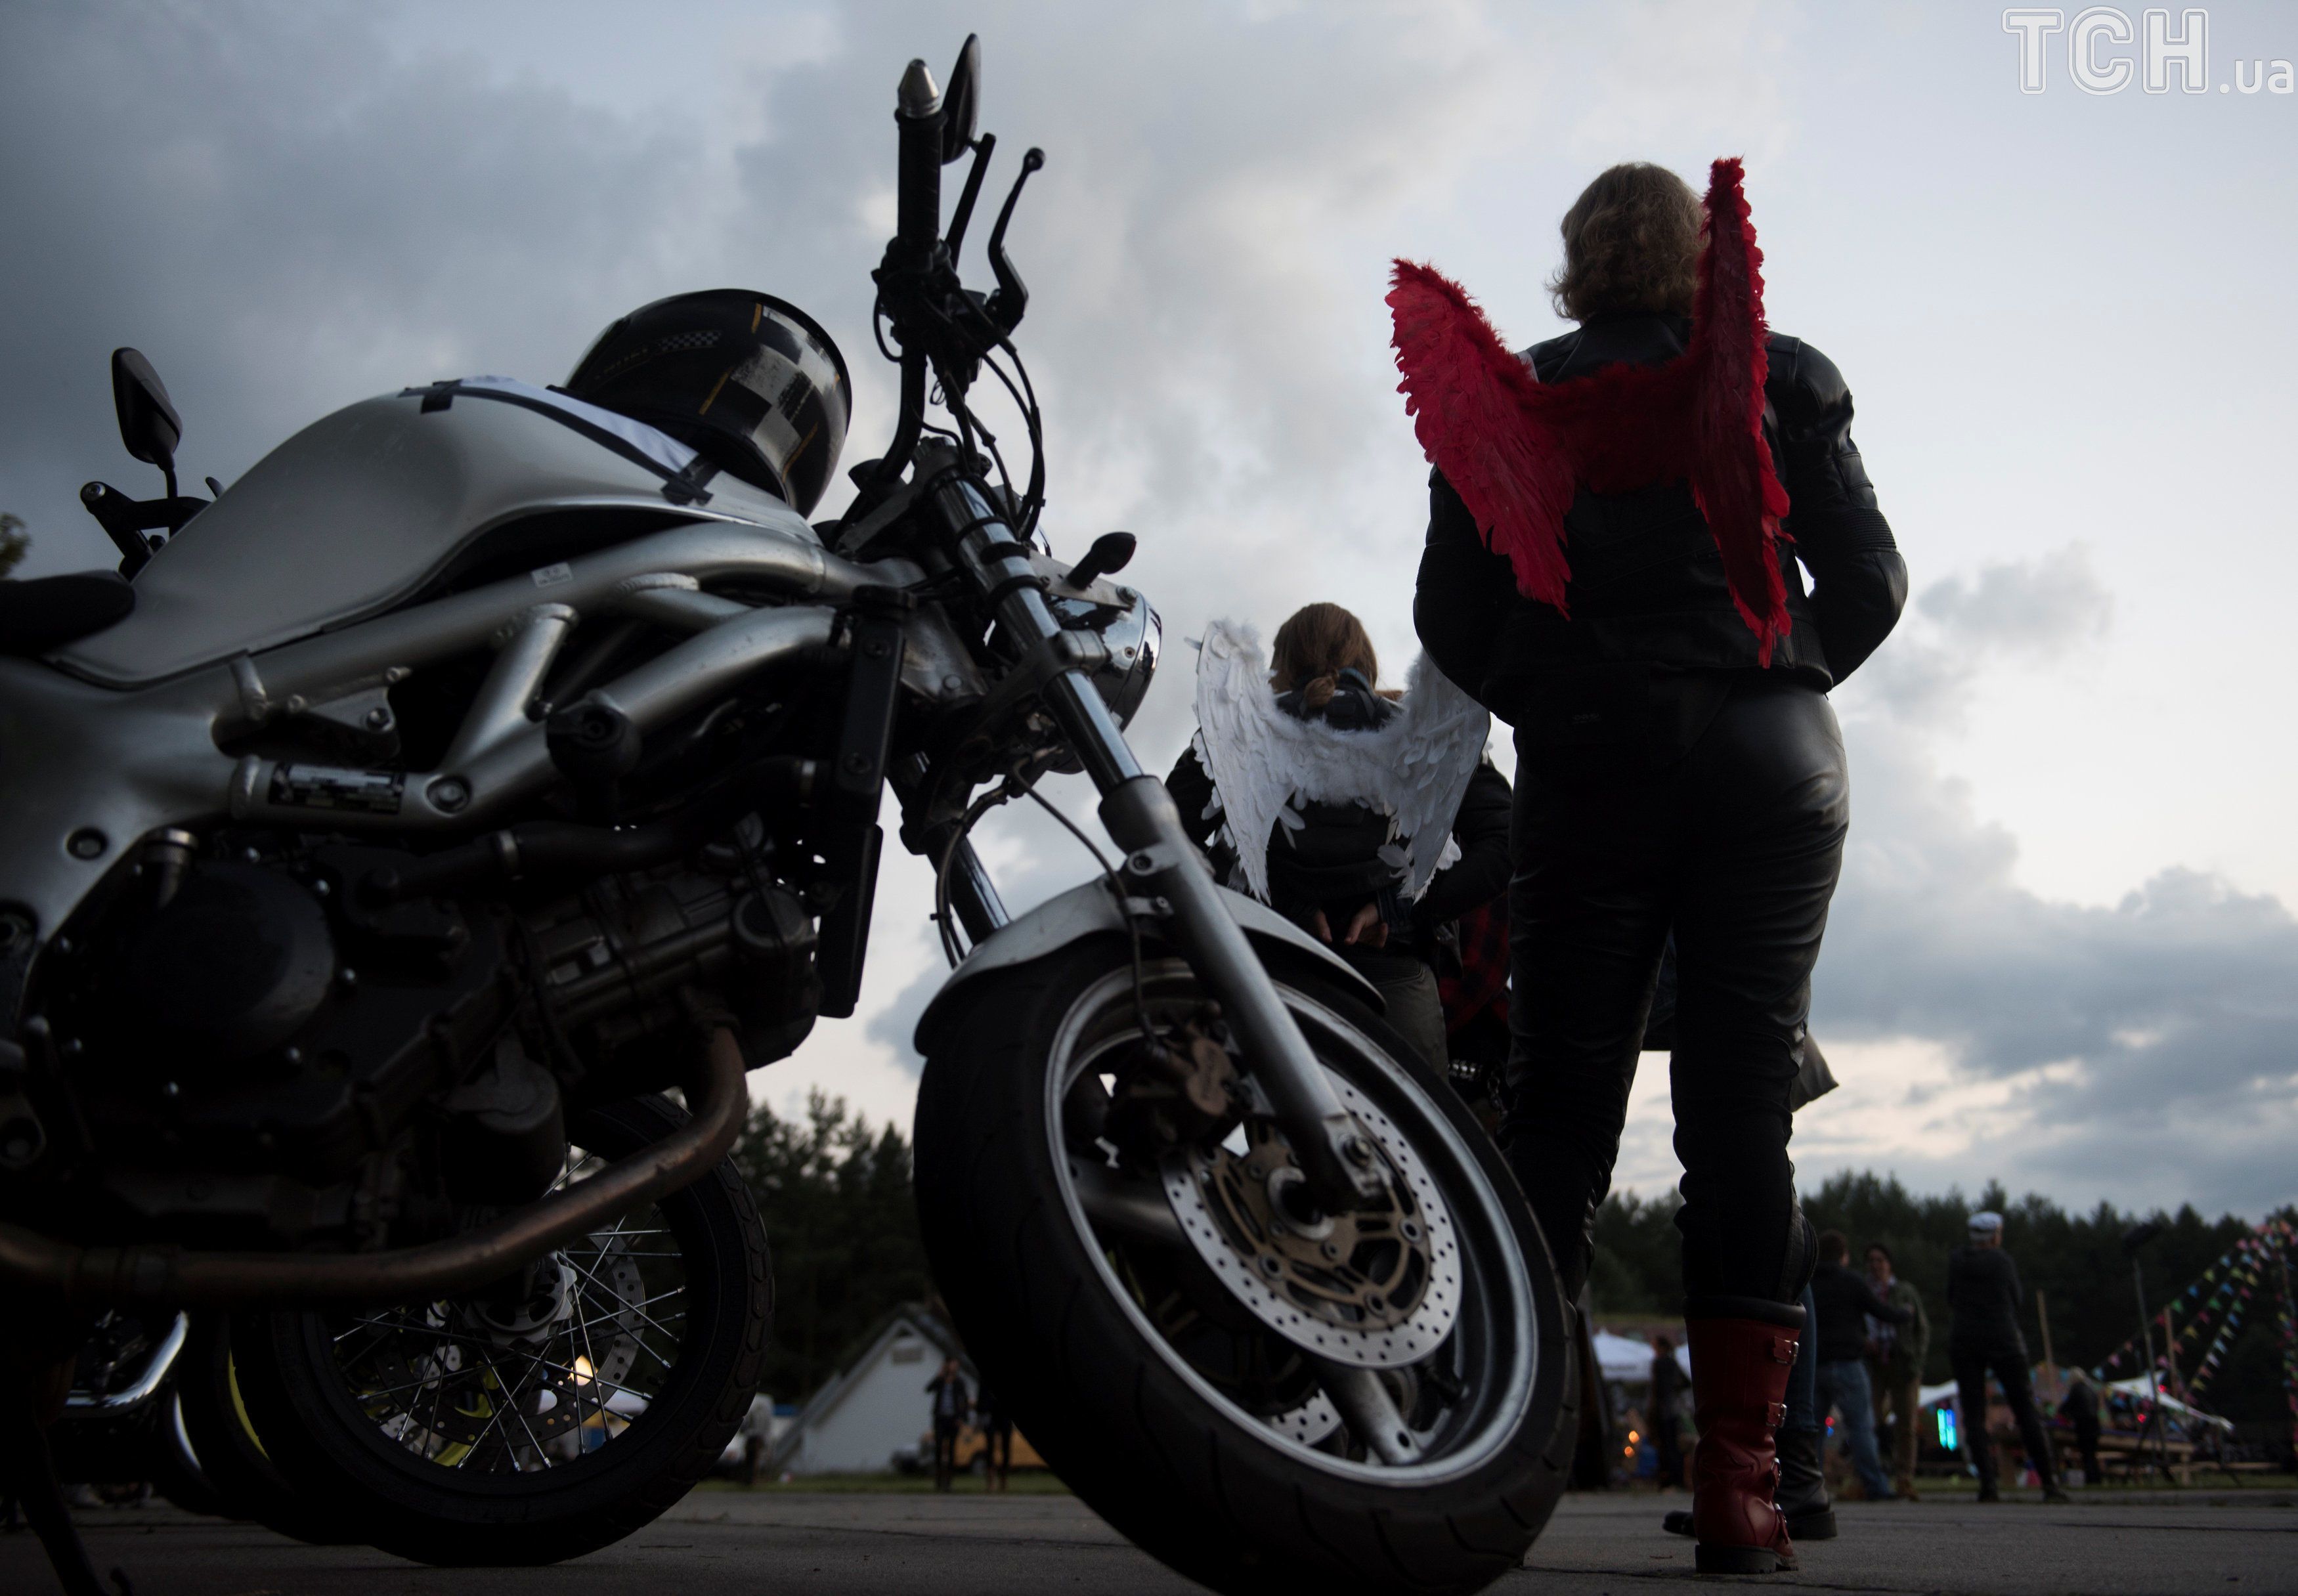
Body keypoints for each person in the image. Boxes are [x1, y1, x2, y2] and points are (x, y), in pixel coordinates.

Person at [1400, 157, 1905, 1576]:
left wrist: (1553, 695)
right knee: (1742, 1112)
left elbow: (1447, 610)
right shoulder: (1783, 374)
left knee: (1559, 1105)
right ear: (1695, 257)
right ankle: (1746, 1484)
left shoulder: (1509, 399)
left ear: (1574, 265)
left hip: (1591, 750)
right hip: (1772, 749)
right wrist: (1776, 666)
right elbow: (1872, 581)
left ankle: (1482, 1442)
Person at [1166, 603, 1500, 1069]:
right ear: (1366, 661)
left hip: (1271, 979)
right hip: (1394, 983)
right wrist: (1399, 907)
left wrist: (1280, 906)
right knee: (1408, 1116)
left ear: (1283, 664)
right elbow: (1505, 842)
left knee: (1275, 1115)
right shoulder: (1430, 734)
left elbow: (1166, 836)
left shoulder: (1239, 735)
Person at [1948, 1211, 2070, 1504]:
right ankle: (2049, 1483)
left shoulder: (1957, 1261)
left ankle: (1988, 1485)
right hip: (2004, 1339)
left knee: (1974, 1414)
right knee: (2025, 1410)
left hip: (1965, 1340)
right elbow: (2016, 1298)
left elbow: (1950, 1297)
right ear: (1995, 1236)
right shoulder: (2002, 1261)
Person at [1810, 1231, 1910, 1501]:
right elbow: (1880, 1311)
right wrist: (1905, 1314)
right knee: (1861, 1427)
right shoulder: (1852, 1281)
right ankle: (1875, 1485)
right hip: (1848, 1363)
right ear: (1843, 1256)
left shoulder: (1809, 1284)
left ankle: (1810, 1486)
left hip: (1817, 1364)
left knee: (1814, 1430)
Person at [1865, 1241, 1930, 1499]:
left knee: (1907, 1423)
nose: (1876, 1265)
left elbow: (1922, 1328)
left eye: (1880, 1260)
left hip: (1903, 1363)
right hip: (1873, 1363)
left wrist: (1917, 1360)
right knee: (1869, 1421)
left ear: (1889, 1264)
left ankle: (1905, 1478)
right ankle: (1869, 1476)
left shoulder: (1905, 1292)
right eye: (1871, 1260)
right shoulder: (1864, 1290)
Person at [924, 1356, 972, 1494]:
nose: (953, 1367)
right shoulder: (941, 1380)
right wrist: (938, 1376)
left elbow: (964, 1400)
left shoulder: (959, 1381)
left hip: (953, 1420)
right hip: (940, 1419)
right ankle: (938, 1481)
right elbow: (928, 1389)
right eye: (951, 1364)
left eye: (955, 1364)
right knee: (939, 1448)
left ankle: (948, 1483)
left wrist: (963, 1418)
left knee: (951, 1450)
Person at [1647, 1333, 1688, 1489]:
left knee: (1665, 1446)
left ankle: (1668, 1478)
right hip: (1672, 1410)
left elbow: (1658, 1389)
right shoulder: (1672, 1363)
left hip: (1664, 1411)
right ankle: (1675, 1478)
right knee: (1672, 1445)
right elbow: (1685, 1382)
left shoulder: (1660, 1363)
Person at [2059, 1370, 2104, 1487]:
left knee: (2087, 1455)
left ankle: (2091, 1480)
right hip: (2095, 1425)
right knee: (2092, 1454)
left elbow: (2066, 1406)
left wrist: (2065, 1415)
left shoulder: (2076, 1389)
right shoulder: (2090, 1389)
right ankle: (2097, 1479)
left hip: (2084, 1426)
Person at [976, 1381, 1014, 1493]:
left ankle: (1003, 1480)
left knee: (1006, 1448)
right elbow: (981, 1398)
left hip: (1005, 1417)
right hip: (990, 1416)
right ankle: (991, 1481)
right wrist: (981, 1414)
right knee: (990, 1448)